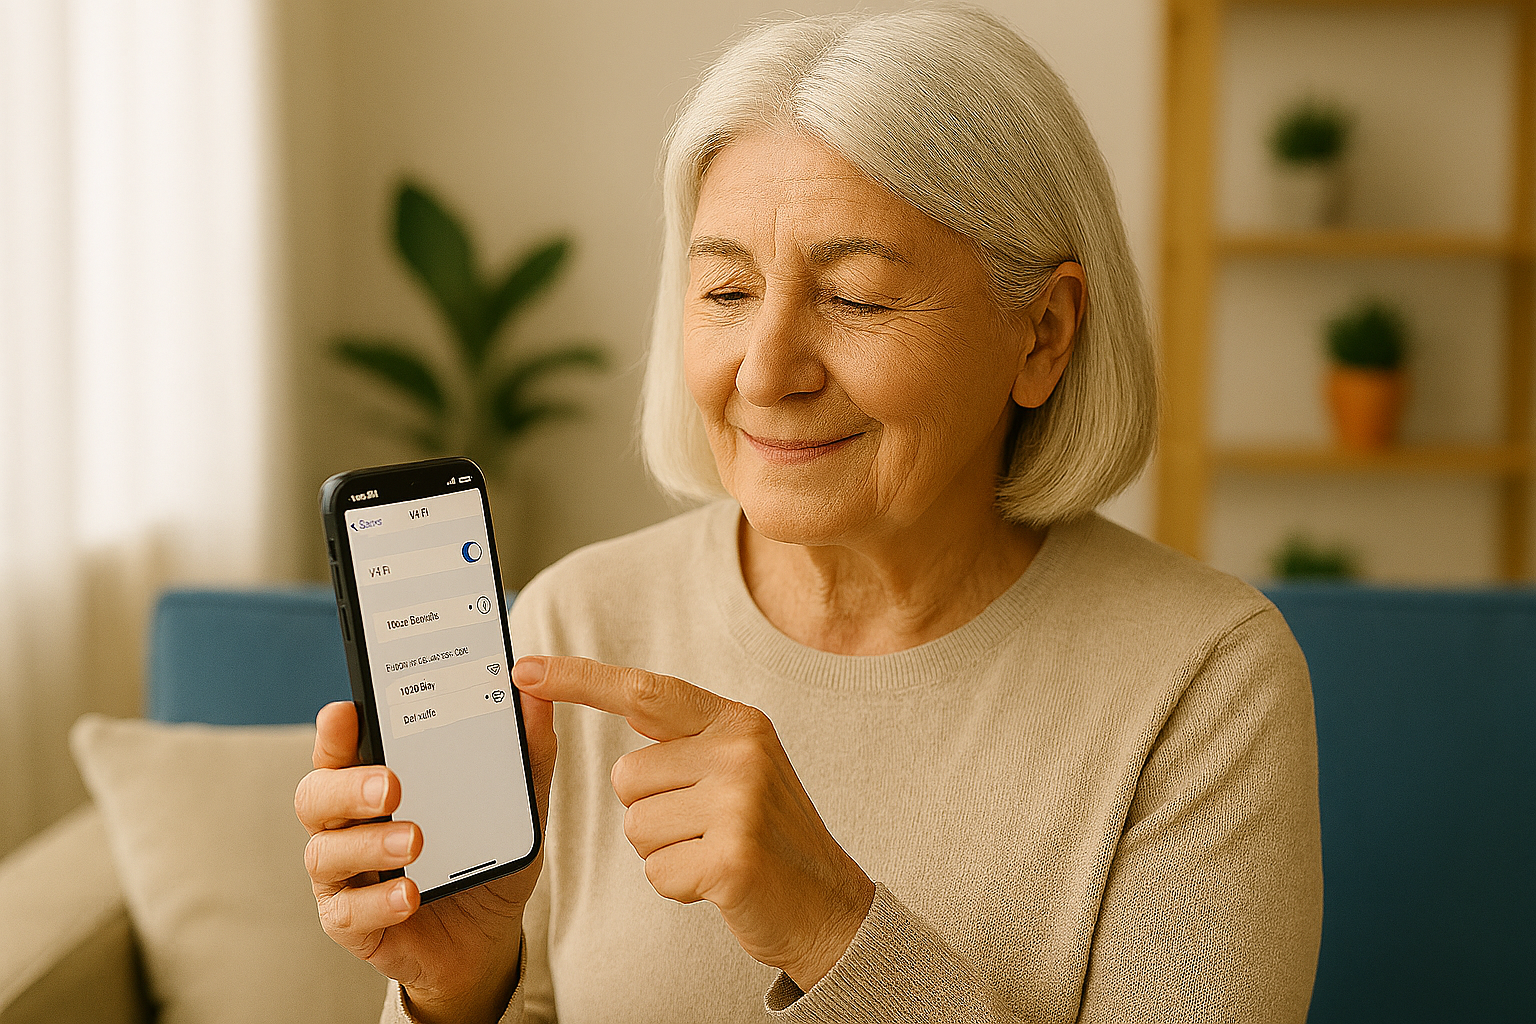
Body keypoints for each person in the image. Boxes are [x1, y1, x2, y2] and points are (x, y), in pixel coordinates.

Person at [295, 7, 1323, 1022]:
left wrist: (831, 926)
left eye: (859, 297)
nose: (768, 370)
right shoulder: (581, 625)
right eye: (728, 292)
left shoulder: (1203, 681)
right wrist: (460, 992)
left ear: (1043, 336)